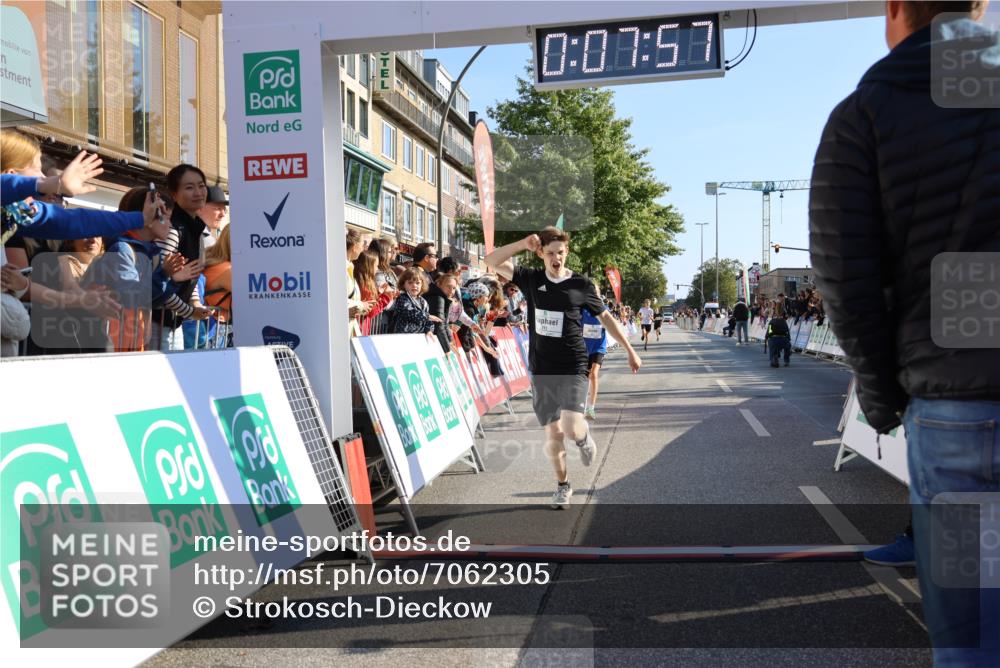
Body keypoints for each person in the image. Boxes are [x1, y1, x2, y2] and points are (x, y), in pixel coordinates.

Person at [809, 2, 998, 663]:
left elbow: (845, 277)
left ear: (894, 11)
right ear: (979, 10)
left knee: (974, 633)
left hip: (956, 408)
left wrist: (882, 395)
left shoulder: (867, 113)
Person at [485, 227, 641, 510]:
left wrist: (630, 350)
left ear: (566, 253)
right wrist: (522, 243)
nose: (556, 257)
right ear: (541, 254)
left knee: (570, 427)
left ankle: (582, 437)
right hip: (542, 367)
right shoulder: (530, 278)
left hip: (573, 364)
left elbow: (606, 318)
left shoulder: (580, 284)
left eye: (560, 252)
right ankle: (563, 486)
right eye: (550, 253)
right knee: (553, 434)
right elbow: (491, 260)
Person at [153, 164, 211, 350]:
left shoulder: (196, 227)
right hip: (155, 323)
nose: (198, 192)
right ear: (174, 194)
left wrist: (195, 303)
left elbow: (189, 275)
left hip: (173, 322)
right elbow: (159, 283)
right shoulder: (172, 228)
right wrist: (190, 311)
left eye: (201, 186)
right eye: (189, 187)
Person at [353, 248, 394, 336]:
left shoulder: (360, 281)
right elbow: (371, 311)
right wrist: (386, 296)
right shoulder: (365, 285)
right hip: (359, 329)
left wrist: (379, 293)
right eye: (376, 266)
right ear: (369, 266)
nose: (377, 269)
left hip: (360, 327)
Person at [390, 267, 439, 336]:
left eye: (418, 283)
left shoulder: (423, 302)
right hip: (402, 336)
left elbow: (428, 322)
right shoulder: (402, 297)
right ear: (403, 284)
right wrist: (427, 316)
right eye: (410, 283)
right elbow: (408, 312)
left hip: (417, 336)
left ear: (422, 284)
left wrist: (429, 330)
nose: (414, 285)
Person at [582, 306, 607, 421]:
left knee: (594, 374)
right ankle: (582, 405)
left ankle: (591, 408)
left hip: (599, 347)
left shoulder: (603, 309)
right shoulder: (582, 308)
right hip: (584, 347)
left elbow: (611, 324)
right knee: (585, 377)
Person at [424, 271, 459, 353]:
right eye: (448, 286)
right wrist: (447, 349)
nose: (451, 290)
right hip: (430, 340)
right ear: (439, 285)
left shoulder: (442, 297)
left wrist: (450, 342)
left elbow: (444, 323)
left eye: (454, 288)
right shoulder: (438, 298)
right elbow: (439, 325)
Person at [198, 185, 228, 250]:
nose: (223, 214)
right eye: (218, 208)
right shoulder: (193, 236)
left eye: (224, 209)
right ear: (200, 208)